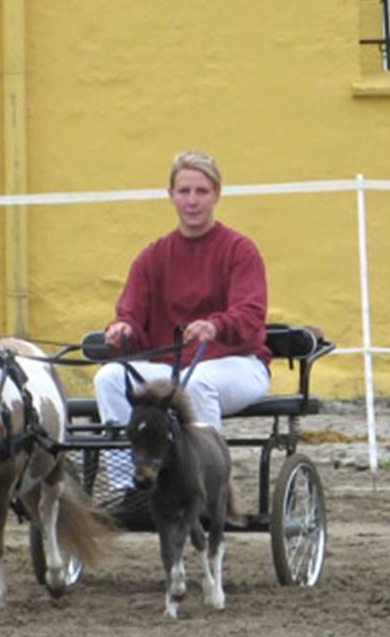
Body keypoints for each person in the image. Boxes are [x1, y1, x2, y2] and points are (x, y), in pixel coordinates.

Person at [94, 150, 271, 521]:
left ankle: (206, 491)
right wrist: (122, 327)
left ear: (216, 194)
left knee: (198, 384)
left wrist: (216, 325)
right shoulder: (152, 257)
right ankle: (132, 489)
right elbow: (131, 312)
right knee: (109, 378)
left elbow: (251, 312)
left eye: (201, 191)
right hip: (170, 368)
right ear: (171, 194)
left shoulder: (239, 251)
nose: (192, 201)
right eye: (184, 191)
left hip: (236, 364)